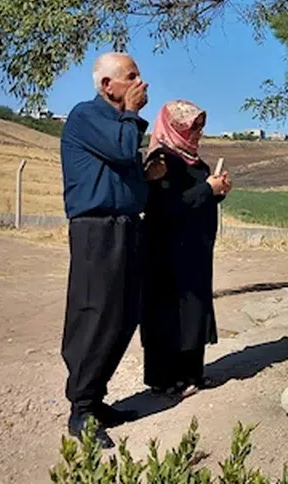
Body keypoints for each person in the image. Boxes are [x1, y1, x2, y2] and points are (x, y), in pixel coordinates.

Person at [58, 52, 150, 447]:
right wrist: (132, 114)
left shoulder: (120, 125)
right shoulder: (87, 116)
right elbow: (121, 151)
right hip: (96, 229)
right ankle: (81, 409)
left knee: (123, 314)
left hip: (126, 226)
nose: (140, 82)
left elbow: (124, 167)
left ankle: (96, 399)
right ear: (107, 85)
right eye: (131, 76)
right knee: (94, 313)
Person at [139, 100, 232, 398]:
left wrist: (217, 192)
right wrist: (207, 189)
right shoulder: (162, 162)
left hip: (195, 250)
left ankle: (192, 374)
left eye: (200, 127)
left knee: (193, 311)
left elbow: (195, 201)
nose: (198, 134)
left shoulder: (195, 162)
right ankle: (165, 379)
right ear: (175, 128)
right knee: (168, 312)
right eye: (192, 128)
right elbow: (168, 207)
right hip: (166, 252)